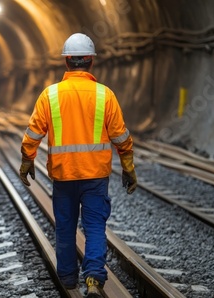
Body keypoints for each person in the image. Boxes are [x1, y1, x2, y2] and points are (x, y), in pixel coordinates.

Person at [19, 33, 137, 297]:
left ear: (67, 62)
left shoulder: (49, 95)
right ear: (91, 62)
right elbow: (121, 136)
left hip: (64, 174)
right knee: (95, 226)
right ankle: (94, 278)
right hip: (96, 175)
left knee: (65, 225)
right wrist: (128, 166)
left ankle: (68, 278)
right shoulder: (105, 95)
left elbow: (33, 134)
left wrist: (28, 160)